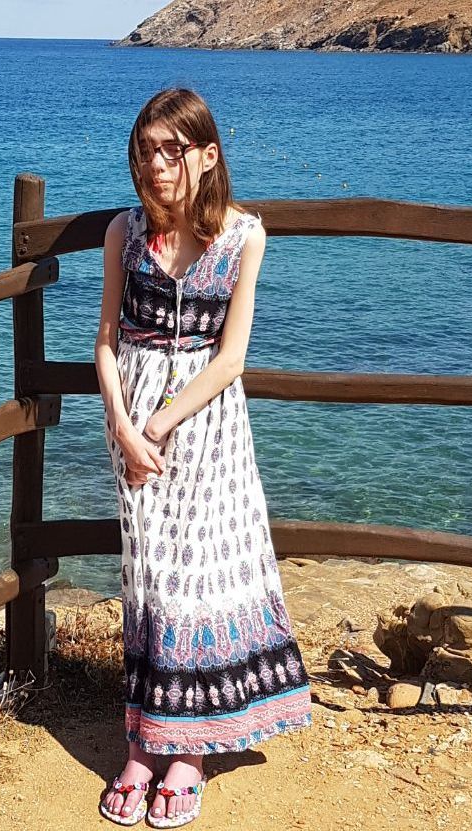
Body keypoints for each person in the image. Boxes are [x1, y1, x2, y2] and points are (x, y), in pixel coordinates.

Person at [94, 88, 312, 828]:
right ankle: (142, 742)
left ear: (208, 155)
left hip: (207, 424)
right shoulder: (124, 232)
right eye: (145, 151)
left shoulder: (244, 236)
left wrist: (161, 422)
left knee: (197, 577)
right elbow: (105, 340)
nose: (155, 165)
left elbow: (231, 358)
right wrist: (125, 428)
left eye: (172, 150)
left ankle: (186, 751)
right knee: (148, 577)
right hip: (130, 423)